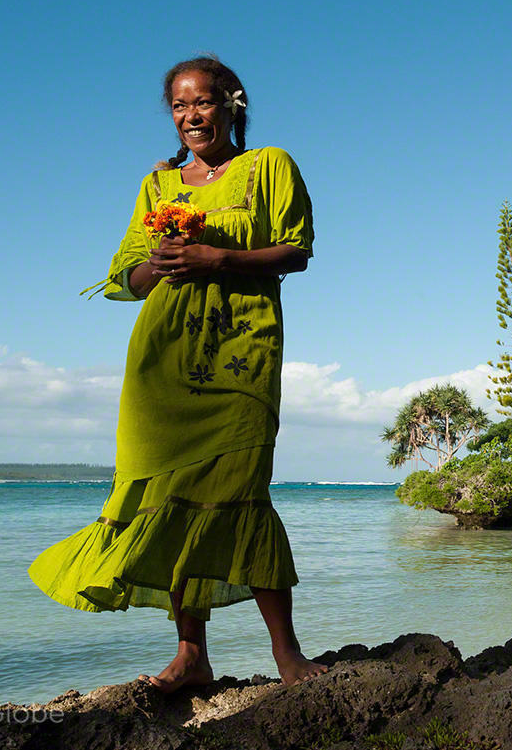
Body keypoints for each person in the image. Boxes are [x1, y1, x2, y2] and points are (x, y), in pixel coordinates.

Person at [27, 56, 328, 692]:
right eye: (179, 106)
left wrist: (218, 258)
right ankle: (192, 654)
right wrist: (161, 262)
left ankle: (288, 655)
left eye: (203, 102)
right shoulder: (157, 184)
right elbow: (127, 279)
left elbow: (297, 251)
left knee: (244, 487)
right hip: (163, 359)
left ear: (232, 104)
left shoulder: (269, 165)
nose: (191, 116)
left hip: (241, 349)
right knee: (167, 496)